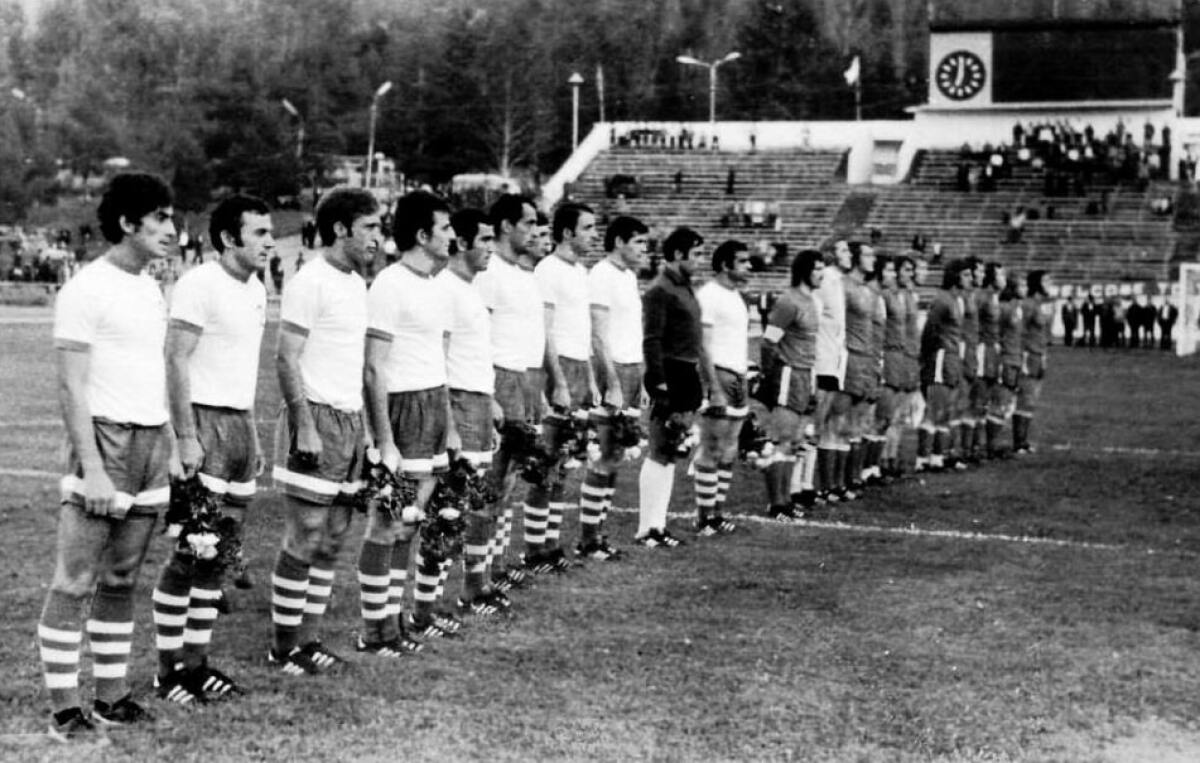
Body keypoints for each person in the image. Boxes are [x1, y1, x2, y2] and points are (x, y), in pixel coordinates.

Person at [39, 172, 176, 739]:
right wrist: (93, 467)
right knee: (75, 579)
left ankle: (111, 698)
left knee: (122, 577)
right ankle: (64, 709)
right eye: (160, 218)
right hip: (104, 442)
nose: (171, 229)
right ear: (127, 223)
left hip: (150, 442)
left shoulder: (150, 287)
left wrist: (171, 444)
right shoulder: (85, 289)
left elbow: (153, 372)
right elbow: (70, 386)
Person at [150, 195, 271, 705]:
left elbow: (242, 369)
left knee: (216, 555)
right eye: (259, 233)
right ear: (227, 238)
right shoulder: (200, 284)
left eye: (271, 232)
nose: (269, 242)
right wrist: (185, 436)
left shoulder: (257, 289)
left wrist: (253, 433)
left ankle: (196, 665)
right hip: (203, 422)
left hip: (239, 426)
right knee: (189, 550)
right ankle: (167, 673)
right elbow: (175, 359)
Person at [268, 187, 379, 675]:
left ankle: (309, 640)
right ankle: (283, 647)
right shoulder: (309, 280)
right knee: (305, 534)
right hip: (315, 417)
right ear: (340, 228)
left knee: (333, 537)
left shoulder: (356, 284)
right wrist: (304, 424)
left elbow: (352, 364)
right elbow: (285, 356)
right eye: (370, 227)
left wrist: (366, 429)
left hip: (350, 422)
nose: (378, 238)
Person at [362, 190, 459, 646]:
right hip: (403, 407)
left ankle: (394, 620)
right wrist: (385, 439)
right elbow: (373, 367)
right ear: (422, 235)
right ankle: (374, 629)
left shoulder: (436, 285)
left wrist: (450, 423)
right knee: (389, 523)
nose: (452, 235)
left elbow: (437, 359)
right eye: (445, 227)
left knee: (412, 520)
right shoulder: (389, 284)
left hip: (434, 404)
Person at [438, 209, 505, 615]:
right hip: (459, 402)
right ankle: (433, 604)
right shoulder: (445, 288)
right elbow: (439, 359)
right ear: (461, 243)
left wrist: (490, 401)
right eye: (484, 240)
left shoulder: (471, 289)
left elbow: (475, 354)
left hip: (478, 402)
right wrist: (450, 422)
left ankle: (474, 588)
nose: (491, 248)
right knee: (453, 505)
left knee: (479, 502)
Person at [474, 194, 543, 589]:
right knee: (491, 482)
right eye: (528, 223)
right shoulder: (490, 273)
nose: (534, 231)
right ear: (505, 226)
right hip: (498, 379)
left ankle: (496, 566)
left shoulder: (520, 273)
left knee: (509, 481)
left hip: (522, 379)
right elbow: (479, 336)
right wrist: (490, 394)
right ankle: (478, 577)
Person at [530, 202, 599, 570]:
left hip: (578, 369)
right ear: (568, 232)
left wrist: (590, 379)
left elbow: (581, 333)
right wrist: (558, 381)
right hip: (556, 372)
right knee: (546, 464)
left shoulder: (581, 272)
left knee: (565, 463)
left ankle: (552, 546)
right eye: (588, 228)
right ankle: (534, 550)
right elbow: (544, 331)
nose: (594, 235)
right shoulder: (548, 270)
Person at [582, 215, 649, 559]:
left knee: (617, 455)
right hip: (613, 371)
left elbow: (631, 331)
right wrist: (611, 381)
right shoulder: (601, 275)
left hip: (632, 369)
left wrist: (641, 378)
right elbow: (597, 334)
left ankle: (600, 533)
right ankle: (588, 539)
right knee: (605, 454)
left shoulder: (628, 276)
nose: (644, 249)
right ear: (620, 241)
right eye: (639, 241)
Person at [637, 227, 706, 547]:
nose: (700, 260)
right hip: (670, 371)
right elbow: (652, 339)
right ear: (678, 254)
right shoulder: (660, 290)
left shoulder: (684, 287)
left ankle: (658, 525)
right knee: (660, 449)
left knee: (671, 452)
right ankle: (646, 528)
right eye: (697, 254)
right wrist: (660, 383)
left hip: (686, 370)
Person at [758, 250, 823, 520]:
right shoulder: (788, 302)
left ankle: (785, 499)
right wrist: (771, 375)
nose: (821, 274)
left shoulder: (812, 301)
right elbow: (768, 342)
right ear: (805, 271)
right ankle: (776, 504)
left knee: (795, 441)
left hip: (806, 374)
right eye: (817, 269)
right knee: (782, 439)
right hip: (788, 374)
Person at [694, 240, 752, 535]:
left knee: (730, 449)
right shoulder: (709, 295)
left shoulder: (736, 296)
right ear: (725, 265)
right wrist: (712, 387)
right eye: (742, 261)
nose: (749, 266)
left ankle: (717, 512)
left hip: (739, 377)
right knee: (712, 447)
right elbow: (702, 346)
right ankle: (704, 517)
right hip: (719, 376)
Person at [917, 259, 970, 471]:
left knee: (946, 409)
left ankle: (937, 456)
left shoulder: (958, 300)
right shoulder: (942, 300)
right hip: (940, 357)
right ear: (955, 276)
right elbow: (930, 330)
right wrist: (929, 356)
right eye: (965, 275)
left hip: (952, 358)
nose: (969, 279)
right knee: (935, 409)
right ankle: (922, 459)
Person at [840, 242, 882, 490]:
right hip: (851, 359)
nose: (872, 259)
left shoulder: (867, 289)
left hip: (867, 360)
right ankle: (841, 480)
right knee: (847, 420)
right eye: (868, 255)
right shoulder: (844, 286)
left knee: (862, 421)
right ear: (856, 258)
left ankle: (854, 476)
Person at [877, 254, 922, 477]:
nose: (909, 275)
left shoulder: (910, 296)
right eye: (905, 270)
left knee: (901, 414)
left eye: (911, 271)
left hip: (909, 358)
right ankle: (880, 460)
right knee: (887, 413)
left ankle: (892, 458)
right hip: (892, 355)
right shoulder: (886, 296)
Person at [813, 240, 851, 500]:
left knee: (826, 424)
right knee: (816, 424)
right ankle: (804, 486)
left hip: (835, 360)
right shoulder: (826, 279)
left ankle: (817, 485)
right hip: (822, 359)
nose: (849, 255)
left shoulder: (838, 281)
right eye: (843, 250)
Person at [1014, 271, 1053, 454]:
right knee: (1026, 398)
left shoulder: (1040, 305)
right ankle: (1018, 442)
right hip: (1029, 356)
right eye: (1046, 280)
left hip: (1039, 356)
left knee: (1032, 400)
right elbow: (1021, 333)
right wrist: (1022, 357)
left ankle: (1023, 441)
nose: (1050, 283)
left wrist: (1043, 355)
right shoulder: (1028, 305)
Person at [976, 262, 1006, 458]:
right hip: (983, 350)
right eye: (1000, 274)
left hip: (994, 350)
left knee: (996, 397)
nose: (1003, 278)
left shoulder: (995, 297)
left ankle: (989, 445)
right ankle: (976, 447)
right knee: (980, 397)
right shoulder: (982, 297)